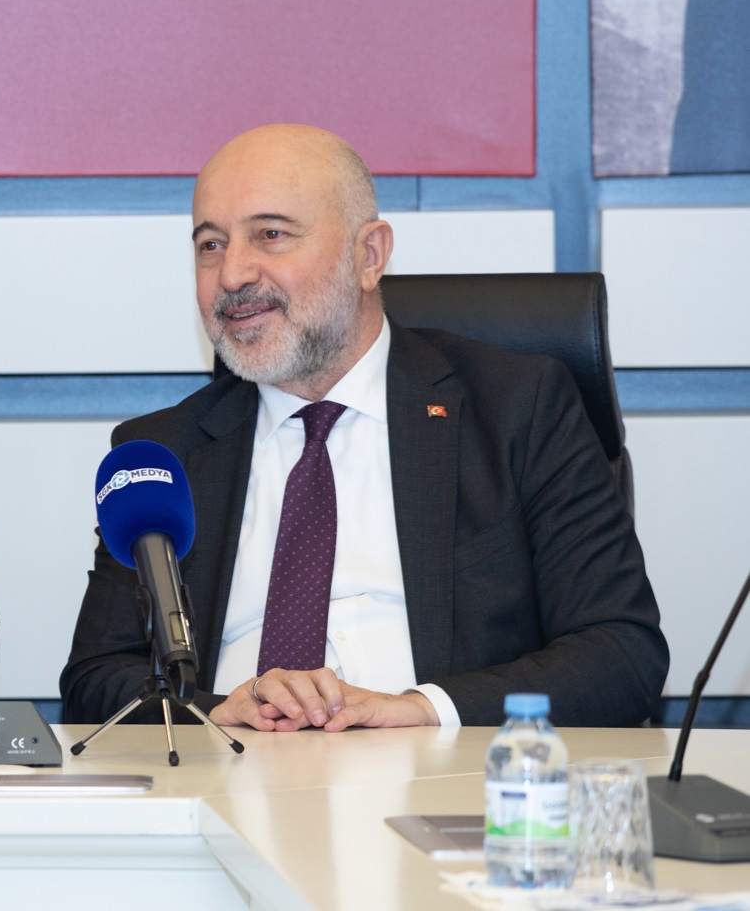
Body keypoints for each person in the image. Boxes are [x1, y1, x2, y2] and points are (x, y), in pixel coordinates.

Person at [61, 124, 667, 731]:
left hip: (442, 773)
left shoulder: (515, 409)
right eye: (210, 245)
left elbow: (621, 653)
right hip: (231, 772)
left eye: (271, 234)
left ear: (369, 256)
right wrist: (217, 711)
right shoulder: (164, 454)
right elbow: (95, 680)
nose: (233, 273)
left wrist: (422, 709)